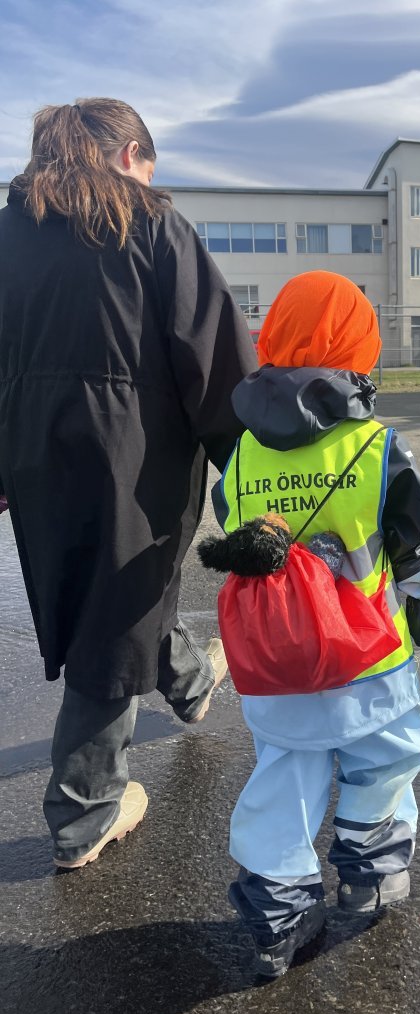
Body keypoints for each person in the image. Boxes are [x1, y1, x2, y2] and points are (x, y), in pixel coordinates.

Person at [0, 99, 258, 869]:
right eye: (148, 165)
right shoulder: (148, 226)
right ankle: (85, 811)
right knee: (111, 614)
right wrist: (251, 466)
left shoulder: (9, 234)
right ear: (126, 157)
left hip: (35, 450)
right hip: (132, 452)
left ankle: (189, 679)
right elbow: (212, 353)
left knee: (118, 589)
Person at [211, 270, 420, 978]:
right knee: (386, 760)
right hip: (368, 659)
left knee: (284, 779)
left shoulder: (241, 456)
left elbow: (240, 537)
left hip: (277, 664)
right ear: (358, 345)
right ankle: (369, 878)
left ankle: (275, 920)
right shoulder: (378, 447)